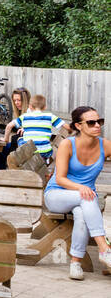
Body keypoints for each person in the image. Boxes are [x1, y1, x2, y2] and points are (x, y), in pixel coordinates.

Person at [44, 106, 111, 280]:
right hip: (57, 195)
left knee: (82, 212)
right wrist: (80, 187)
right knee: (87, 197)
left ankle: (75, 263)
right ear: (79, 126)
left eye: (99, 121)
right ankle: (104, 249)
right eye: (91, 122)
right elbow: (60, 178)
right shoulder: (68, 144)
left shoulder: (104, 145)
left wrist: (84, 190)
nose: (97, 125)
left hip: (85, 199)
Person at [19, 93, 64, 165]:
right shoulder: (50, 116)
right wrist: (71, 130)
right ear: (44, 107)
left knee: (20, 140)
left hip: (30, 152)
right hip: (46, 153)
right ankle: (43, 160)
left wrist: (5, 138)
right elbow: (66, 126)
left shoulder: (25, 116)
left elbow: (9, 126)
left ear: (30, 107)